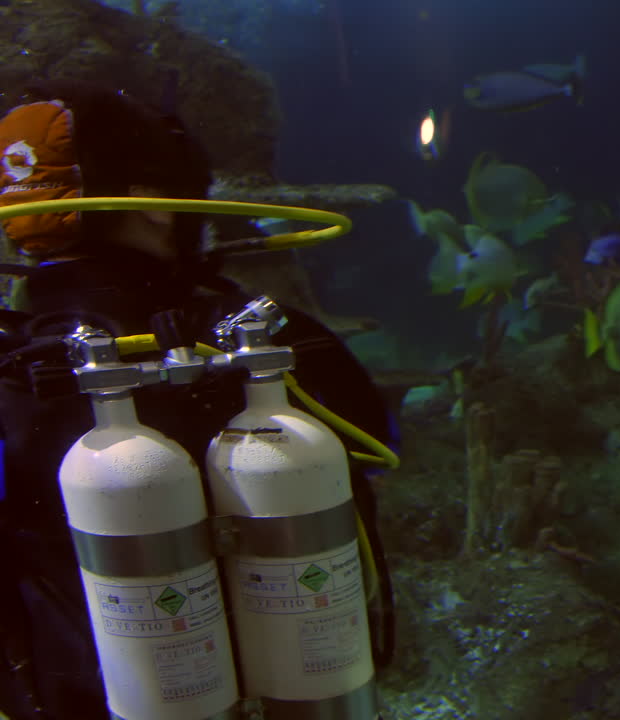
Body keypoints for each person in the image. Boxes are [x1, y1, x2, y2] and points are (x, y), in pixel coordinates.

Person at [0, 81, 396, 719]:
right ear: (155, 203)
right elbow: (380, 444)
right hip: (301, 694)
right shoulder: (271, 338)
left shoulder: (11, 367)